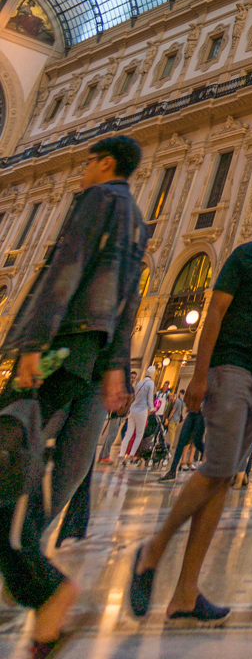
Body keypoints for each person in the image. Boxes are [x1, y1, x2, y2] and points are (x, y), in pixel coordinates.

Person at [0, 135, 146, 655]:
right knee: (42, 477)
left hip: (60, 349)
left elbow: (67, 265)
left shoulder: (97, 200)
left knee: (8, 459)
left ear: (105, 163)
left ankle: (45, 587)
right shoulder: (136, 217)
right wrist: (116, 368)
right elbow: (129, 301)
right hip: (93, 358)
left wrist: (34, 344)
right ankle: (33, 593)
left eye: (87, 161)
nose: (81, 169)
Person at [130, 194, 252, 625]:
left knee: (223, 479)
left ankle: (185, 593)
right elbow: (215, 312)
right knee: (217, 469)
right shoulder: (245, 257)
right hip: (231, 369)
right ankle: (152, 551)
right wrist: (199, 374)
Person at [121, 365, 158, 465]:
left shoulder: (139, 383)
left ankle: (121, 454)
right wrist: (152, 408)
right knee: (139, 434)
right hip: (142, 410)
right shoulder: (151, 383)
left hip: (133, 409)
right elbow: (150, 399)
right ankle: (132, 455)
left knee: (128, 433)